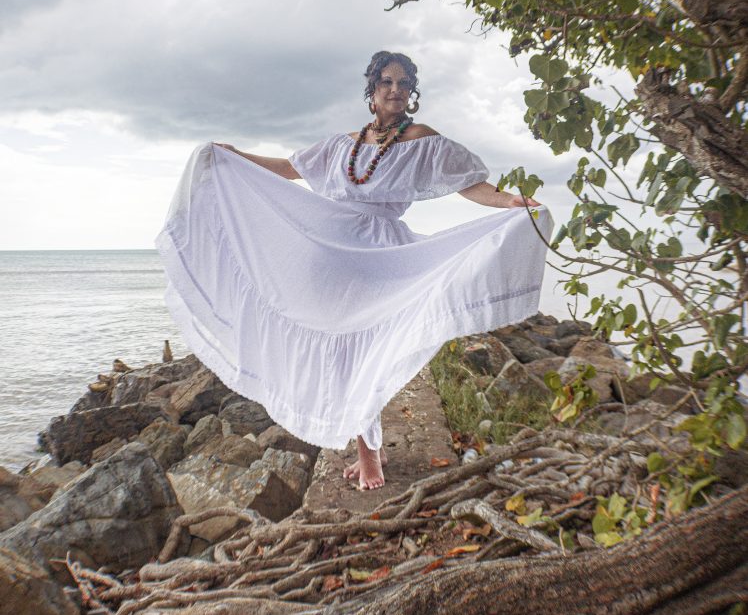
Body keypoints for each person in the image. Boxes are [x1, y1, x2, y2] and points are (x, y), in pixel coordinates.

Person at [155, 51, 553, 490]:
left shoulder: (423, 141)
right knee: (343, 352)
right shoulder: (343, 144)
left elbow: (471, 185)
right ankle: (369, 450)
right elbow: (290, 169)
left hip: (381, 257)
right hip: (331, 252)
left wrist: (511, 202)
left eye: (404, 83)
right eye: (387, 81)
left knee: (370, 351)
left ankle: (370, 455)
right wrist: (236, 156)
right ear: (372, 90)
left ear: (412, 92)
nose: (396, 89)